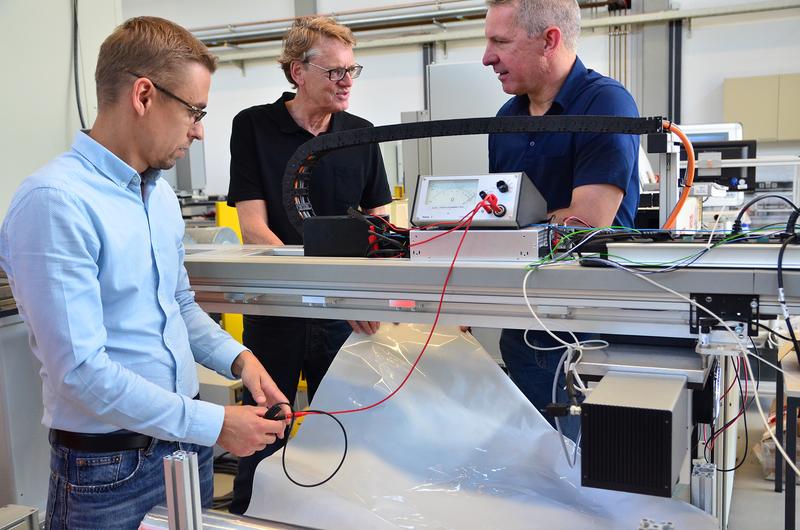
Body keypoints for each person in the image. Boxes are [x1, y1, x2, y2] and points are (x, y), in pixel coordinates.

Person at [0, 17, 290, 530]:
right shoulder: (55, 202)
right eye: (195, 112)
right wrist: (216, 424)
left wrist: (240, 360)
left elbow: (177, 305)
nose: (199, 131)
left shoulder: (156, 195)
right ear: (143, 96)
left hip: (185, 449)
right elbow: (80, 373)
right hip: (108, 470)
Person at [226, 15, 393, 514]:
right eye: (335, 71)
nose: (347, 82)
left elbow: (379, 225)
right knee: (267, 423)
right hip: (277, 305)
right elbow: (255, 229)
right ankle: (251, 513)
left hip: (343, 310)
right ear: (298, 71)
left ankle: (333, 516)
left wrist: (359, 293)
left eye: (352, 70)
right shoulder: (253, 126)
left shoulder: (359, 134)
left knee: (341, 425)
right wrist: (313, 288)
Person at [481, 0, 640, 440]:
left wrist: (511, 226)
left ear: (549, 39)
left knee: (587, 462)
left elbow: (586, 220)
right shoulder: (506, 119)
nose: (487, 57)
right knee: (539, 459)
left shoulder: (605, 103)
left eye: (500, 42)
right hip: (526, 323)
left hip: (587, 326)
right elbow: (499, 216)